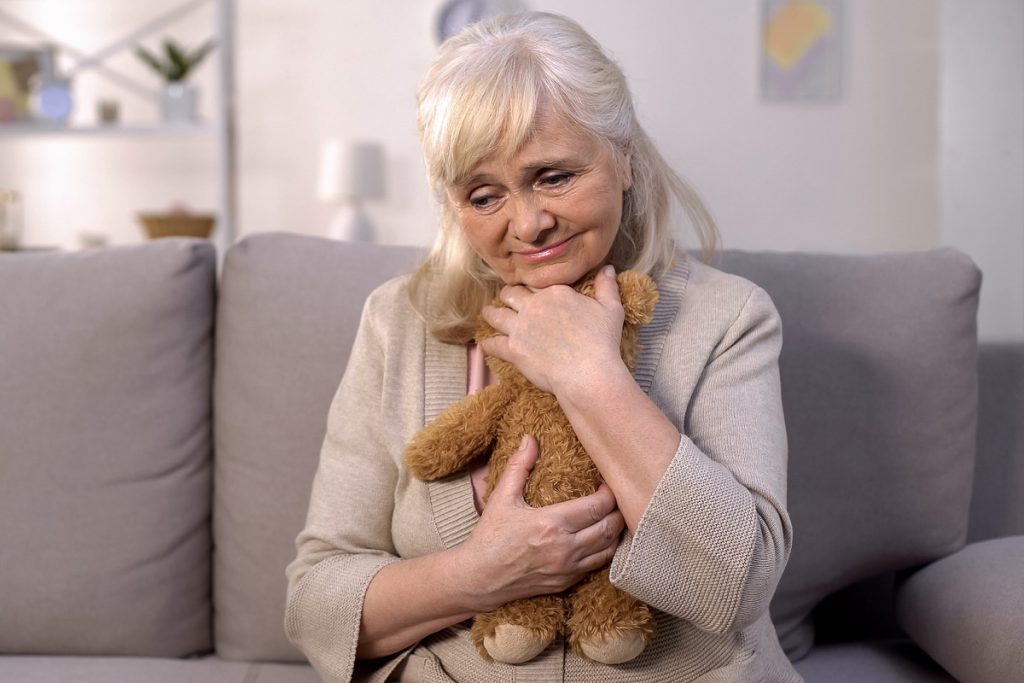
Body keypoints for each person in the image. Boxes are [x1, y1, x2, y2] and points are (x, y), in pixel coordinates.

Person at [286, 11, 800, 683]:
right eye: (484, 193)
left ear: (625, 159)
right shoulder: (398, 322)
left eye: (553, 176)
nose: (527, 224)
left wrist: (592, 377)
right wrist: (478, 575)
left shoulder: (728, 318)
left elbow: (738, 584)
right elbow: (315, 598)